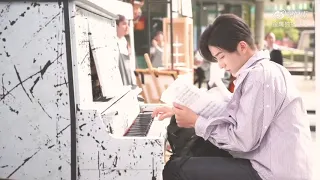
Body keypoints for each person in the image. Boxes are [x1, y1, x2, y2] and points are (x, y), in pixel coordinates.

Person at [152, 14, 313, 180]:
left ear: (242, 47)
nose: (221, 64)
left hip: (272, 172)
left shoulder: (260, 77)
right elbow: (232, 113)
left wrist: (195, 121)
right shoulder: (264, 70)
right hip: (271, 163)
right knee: (201, 148)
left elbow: (242, 141)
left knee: (176, 168)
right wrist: (179, 110)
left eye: (221, 56)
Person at [116, 14, 134, 85]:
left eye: (128, 24)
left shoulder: (125, 41)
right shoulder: (112, 41)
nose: (127, 27)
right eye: (124, 24)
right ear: (116, 25)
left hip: (127, 77)